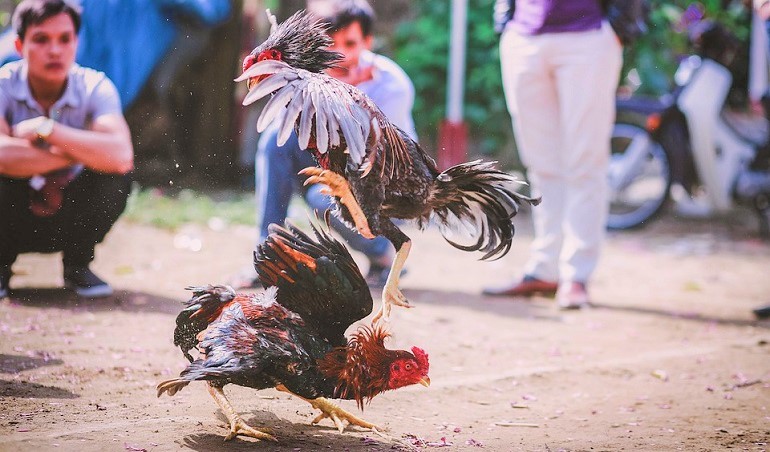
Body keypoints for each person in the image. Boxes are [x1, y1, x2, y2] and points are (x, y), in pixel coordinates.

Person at [237, 0, 417, 288]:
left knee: (326, 200)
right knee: (274, 141)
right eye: (332, 43)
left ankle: (385, 251)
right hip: (333, 168)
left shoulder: (392, 85)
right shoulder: (313, 78)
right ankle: (268, 254)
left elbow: (379, 158)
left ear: (368, 42)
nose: (341, 52)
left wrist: (344, 95)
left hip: (383, 188)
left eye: (350, 42)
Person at [483, 0, 624, 309]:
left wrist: (619, 29)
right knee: (541, 163)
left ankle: (576, 275)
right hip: (523, 35)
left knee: (586, 160)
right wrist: (505, 23)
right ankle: (546, 268)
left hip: (587, 35)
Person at [0, 0, 134, 299]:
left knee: (116, 178)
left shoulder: (95, 86)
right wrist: (79, 151)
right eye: (41, 39)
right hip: (12, 213)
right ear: (20, 46)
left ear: (76, 42)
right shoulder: (3, 85)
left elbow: (121, 157)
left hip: (70, 211)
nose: (55, 50)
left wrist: (47, 130)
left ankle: (78, 263)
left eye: (65, 39)